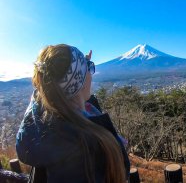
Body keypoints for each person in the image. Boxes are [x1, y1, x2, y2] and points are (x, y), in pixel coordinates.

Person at [16, 44, 130, 183]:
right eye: (90, 69)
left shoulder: (45, 129)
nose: (91, 75)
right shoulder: (86, 150)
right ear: (79, 83)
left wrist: (81, 65)